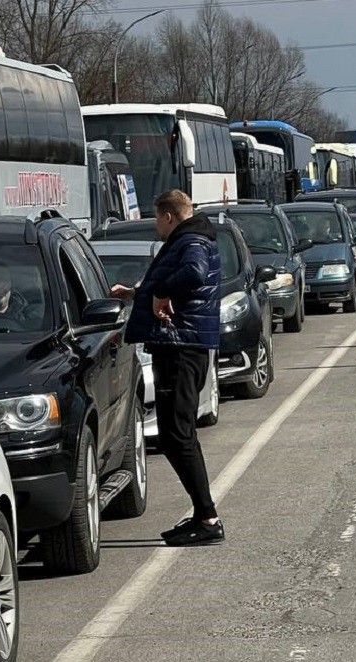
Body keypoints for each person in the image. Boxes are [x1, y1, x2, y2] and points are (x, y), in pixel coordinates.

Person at [111, 189, 225, 546]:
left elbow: (194, 273)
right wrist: (138, 293)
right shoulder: (191, 237)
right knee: (178, 435)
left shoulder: (190, 240)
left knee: (178, 436)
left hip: (181, 347)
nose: (156, 227)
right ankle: (202, 513)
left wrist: (160, 293)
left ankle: (208, 518)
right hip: (180, 344)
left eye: (157, 219)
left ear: (168, 216)